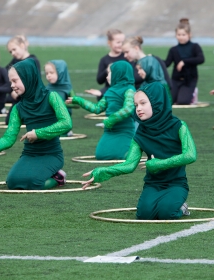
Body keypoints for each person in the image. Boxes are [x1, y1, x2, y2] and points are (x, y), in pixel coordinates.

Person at [81, 82, 197, 220]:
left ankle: (181, 207)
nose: (138, 109)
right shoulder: (140, 133)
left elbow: (190, 155)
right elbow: (129, 164)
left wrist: (159, 164)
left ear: (157, 102)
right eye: (136, 105)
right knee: (144, 214)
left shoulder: (178, 126)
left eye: (143, 103)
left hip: (176, 183)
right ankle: (163, 203)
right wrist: (102, 172)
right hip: (153, 184)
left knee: (167, 213)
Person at [0, 59, 72, 190]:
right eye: (10, 81)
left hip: (51, 154)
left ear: (28, 78)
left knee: (35, 183)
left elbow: (66, 123)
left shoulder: (52, 97)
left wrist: (38, 133)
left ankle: (58, 177)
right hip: (29, 154)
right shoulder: (18, 108)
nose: (11, 85)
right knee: (12, 183)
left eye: (15, 81)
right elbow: (9, 138)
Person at [67, 61, 135, 160]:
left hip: (124, 130)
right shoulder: (110, 91)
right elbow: (97, 108)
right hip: (110, 130)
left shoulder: (129, 90)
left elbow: (128, 108)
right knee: (101, 155)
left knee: (123, 156)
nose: (107, 76)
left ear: (118, 74)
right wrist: (78, 100)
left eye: (109, 73)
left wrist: (111, 119)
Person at [94, 29, 143, 101]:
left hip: (126, 90)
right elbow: (99, 80)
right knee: (101, 96)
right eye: (118, 42)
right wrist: (107, 71)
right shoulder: (104, 60)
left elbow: (134, 76)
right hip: (111, 89)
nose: (121, 44)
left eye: (123, 42)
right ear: (109, 43)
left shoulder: (127, 57)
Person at [164, 18, 205, 105]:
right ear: (176, 35)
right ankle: (178, 92)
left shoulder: (195, 47)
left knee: (183, 102)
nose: (181, 37)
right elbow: (166, 63)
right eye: (179, 34)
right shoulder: (173, 49)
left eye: (183, 34)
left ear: (189, 35)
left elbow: (201, 59)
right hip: (176, 79)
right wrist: (154, 59)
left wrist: (184, 62)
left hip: (189, 79)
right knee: (169, 102)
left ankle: (193, 93)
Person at [5, 35, 41, 125]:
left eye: (14, 49)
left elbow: (33, 82)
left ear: (22, 46)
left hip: (30, 98)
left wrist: (18, 90)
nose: (12, 53)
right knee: (9, 121)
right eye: (10, 52)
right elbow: (5, 72)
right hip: (19, 98)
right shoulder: (15, 61)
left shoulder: (32, 61)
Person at [45, 60, 75, 136]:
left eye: (51, 73)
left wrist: (64, 104)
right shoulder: (47, 89)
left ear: (60, 72)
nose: (48, 75)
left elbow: (77, 104)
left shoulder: (67, 88)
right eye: (47, 73)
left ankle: (66, 131)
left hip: (63, 120)